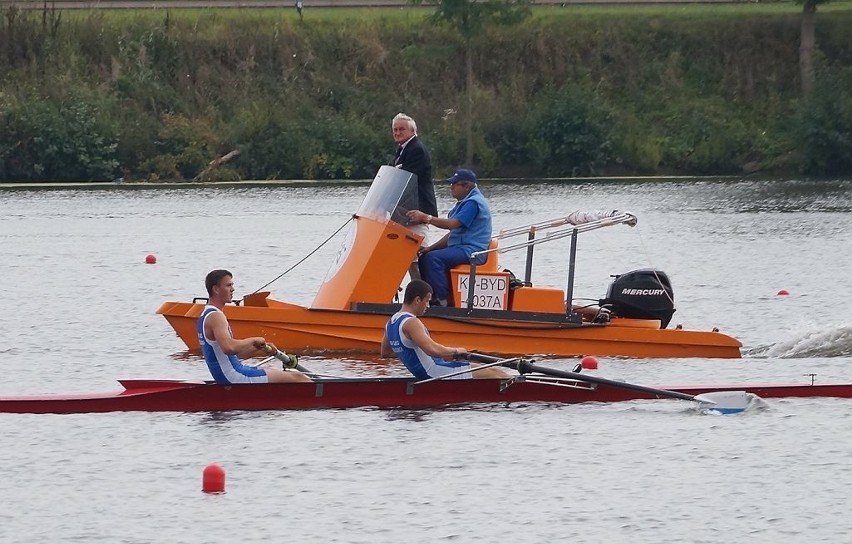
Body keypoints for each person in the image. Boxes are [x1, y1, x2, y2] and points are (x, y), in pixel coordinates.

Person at [198, 269, 311, 384]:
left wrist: (258, 349)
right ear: (216, 289)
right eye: (228, 285)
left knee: (274, 370)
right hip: (234, 376)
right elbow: (229, 348)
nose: (233, 289)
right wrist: (254, 340)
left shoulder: (205, 314)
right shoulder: (216, 316)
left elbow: (234, 354)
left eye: (232, 285)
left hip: (230, 374)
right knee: (299, 378)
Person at [381, 280, 511, 379]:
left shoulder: (391, 323)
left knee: (490, 369)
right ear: (417, 300)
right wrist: (455, 351)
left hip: (430, 369)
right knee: (497, 374)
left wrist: (412, 355)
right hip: (435, 371)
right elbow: (433, 350)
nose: (428, 306)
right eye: (427, 301)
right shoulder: (411, 322)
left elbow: (385, 352)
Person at [406, 168, 492, 306]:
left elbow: (453, 224)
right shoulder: (465, 202)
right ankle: (428, 298)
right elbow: (454, 234)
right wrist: (429, 248)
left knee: (434, 259)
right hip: (462, 247)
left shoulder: (473, 203)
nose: (450, 187)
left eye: (454, 183)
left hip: (472, 251)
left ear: (466, 186)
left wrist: (426, 217)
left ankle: (442, 301)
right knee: (424, 256)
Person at [391, 113, 438, 281]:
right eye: (395, 130)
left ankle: (426, 293)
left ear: (412, 131)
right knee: (409, 257)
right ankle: (417, 292)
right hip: (405, 212)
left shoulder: (416, 149)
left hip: (418, 210)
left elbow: (406, 179)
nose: (397, 132)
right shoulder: (402, 149)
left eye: (401, 129)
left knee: (418, 254)